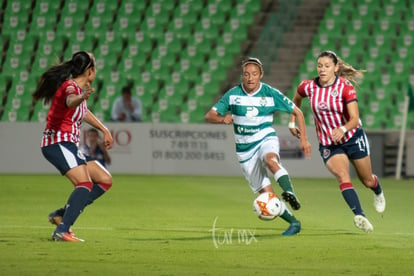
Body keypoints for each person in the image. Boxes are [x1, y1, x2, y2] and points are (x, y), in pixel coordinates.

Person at [205, 57, 311, 236]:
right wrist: (223, 119)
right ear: (242, 76)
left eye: (254, 74)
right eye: (246, 74)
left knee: (271, 160)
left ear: (261, 75)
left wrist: (304, 140)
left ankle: (290, 192)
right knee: (266, 197)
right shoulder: (233, 94)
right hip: (245, 151)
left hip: (265, 138)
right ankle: (294, 223)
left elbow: (298, 112)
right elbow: (209, 116)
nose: (250, 78)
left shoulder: (270, 93)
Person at [290, 50, 386, 233]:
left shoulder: (345, 87)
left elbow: (354, 117)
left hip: (352, 137)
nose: (322, 69)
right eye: (319, 66)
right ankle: (360, 216)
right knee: (343, 176)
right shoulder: (308, 87)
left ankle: (378, 190)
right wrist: (291, 121)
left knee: (367, 180)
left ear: (335, 68)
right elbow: (295, 100)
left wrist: (342, 129)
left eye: (327, 66)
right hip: (329, 143)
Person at [32, 51, 113, 242]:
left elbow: (83, 112)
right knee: (84, 184)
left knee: (104, 179)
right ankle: (62, 230)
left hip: (68, 144)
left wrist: (104, 129)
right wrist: (81, 97)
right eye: (95, 64)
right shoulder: (70, 87)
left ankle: (61, 214)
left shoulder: (78, 89)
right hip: (57, 142)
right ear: (89, 70)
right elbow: (70, 102)